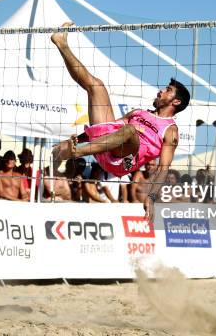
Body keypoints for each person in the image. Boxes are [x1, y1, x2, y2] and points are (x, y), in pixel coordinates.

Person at [50, 22, 189, 218]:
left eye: (167, 90)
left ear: (176, 101)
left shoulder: (171, 130)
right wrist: (76, 139)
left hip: (122, 161)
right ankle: (61, 43)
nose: (161, 90)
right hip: (105, 146)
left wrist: (152, 197)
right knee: (96, 85)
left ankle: (76, 153)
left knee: (130, 131)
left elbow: (164, 168)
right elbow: (109, 131)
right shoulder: (139, 113)